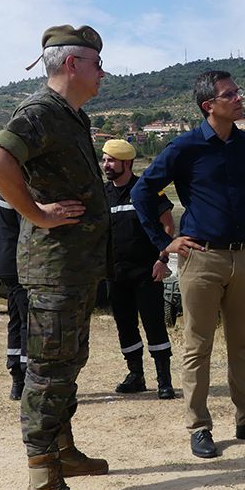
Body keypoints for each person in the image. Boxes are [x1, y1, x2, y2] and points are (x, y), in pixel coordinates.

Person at [0, 24, 109, 490]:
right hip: (54, 268)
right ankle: (41, 485)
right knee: (49, 372)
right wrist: (36, 214)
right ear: (73, 64)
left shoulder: (72, 117)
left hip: (74, 267)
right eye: (97, 64)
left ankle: (62, 451)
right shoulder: (39, 112)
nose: (103, 74)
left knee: (68, 365)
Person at [131, 69, 245, 460]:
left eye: (237, 91)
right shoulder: (184, 148)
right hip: (200, 257)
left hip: (244, 255)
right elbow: (142, 192)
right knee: (197, 345)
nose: (238, 97)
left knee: (243, 343)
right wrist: (165, 243)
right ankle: (199, 426)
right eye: (229, 94)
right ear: (209, 106)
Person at [102, 139, 176, 400]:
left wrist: (162, 258)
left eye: (111, 160)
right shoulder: (103, 194)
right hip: (115, 273)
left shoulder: (145, 191)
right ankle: (136, 375)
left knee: (154, 324)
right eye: (104, 159)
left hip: (146, 271)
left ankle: (164, 381)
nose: (106, 164)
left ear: (127, 162)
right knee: (125, 326)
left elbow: (168, 225)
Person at [0, 192, 28, 400]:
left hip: (5, 263)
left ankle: (16, 377)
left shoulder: (1, 187)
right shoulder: (13, 187)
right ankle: (24, 376)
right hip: (18, 263)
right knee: (28, 321)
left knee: (15, 320)